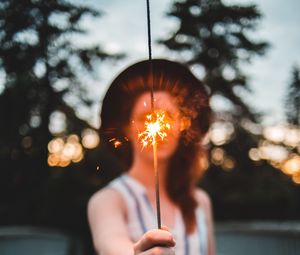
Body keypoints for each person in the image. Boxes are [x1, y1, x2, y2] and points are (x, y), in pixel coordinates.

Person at [87, 59, 215, 255]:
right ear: (127, 129)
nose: (158, 126)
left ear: (182, 126)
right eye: (146, 117)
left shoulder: (199, 201)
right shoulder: (109, 200)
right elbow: (111, 243)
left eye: (168, 117)